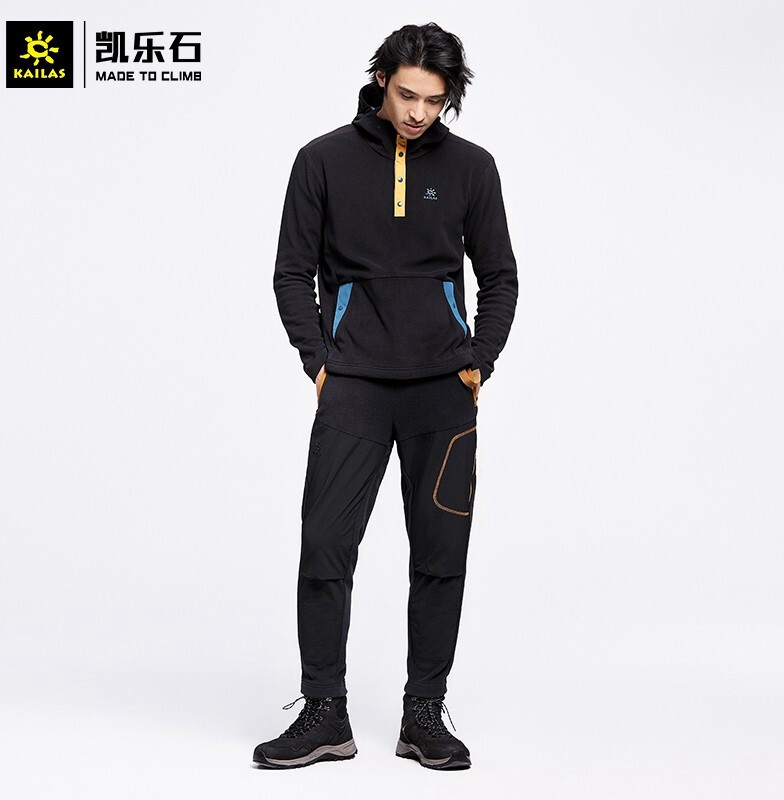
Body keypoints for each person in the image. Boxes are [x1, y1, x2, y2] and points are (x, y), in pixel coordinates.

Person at [254, 22, 518, 770]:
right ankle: (324, 713)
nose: (418, 113)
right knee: (324, 547)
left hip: (442, 391)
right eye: (407, 95)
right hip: (356, 388)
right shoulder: (322, 160)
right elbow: (291, 270)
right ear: (381, 80)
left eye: (434, 101)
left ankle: (423, 713)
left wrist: (479, 361)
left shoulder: (473, 168)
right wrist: (320, 361)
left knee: (440, 554)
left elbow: (500, 275)